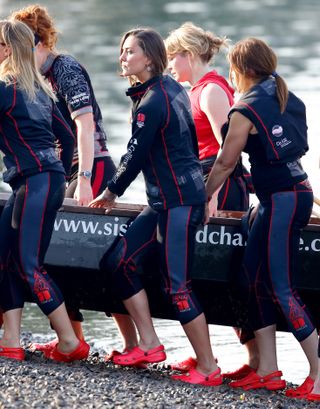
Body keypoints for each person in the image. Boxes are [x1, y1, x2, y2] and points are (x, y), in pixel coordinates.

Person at [89, 27, 222, 386]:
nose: (123, 57)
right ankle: (149, 344)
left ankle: (208, 368)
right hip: (164, 202)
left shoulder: (154, 100)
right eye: (122, 50)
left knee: (177, 286)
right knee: (118, 262)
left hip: (180, 202)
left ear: (149, 57)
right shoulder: (170, 89)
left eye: (130, 51)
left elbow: (134, 154)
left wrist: (112, 191)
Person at [10, 4, 138, 355]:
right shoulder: (30, 78)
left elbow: (83, 124)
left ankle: (131, 343)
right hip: (61, 167)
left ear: (37, 44)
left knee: (97, 255)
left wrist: (82, 178)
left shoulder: (63, 68)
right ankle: (74, 338)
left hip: (91, 164)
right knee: (56, 254)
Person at [205, 37, 318, 397]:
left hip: (284, 200)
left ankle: (319, 374)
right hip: (286, 196)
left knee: (282, 289)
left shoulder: (245, 108)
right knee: (251, 278)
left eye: (231, 69)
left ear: (241, 70)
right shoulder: (284, 95)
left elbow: (225, 162)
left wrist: (201, 197)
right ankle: (267, 369)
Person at [165, 22, 257, 378]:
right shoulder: (193, 89)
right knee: (201, 272)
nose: (170, 64)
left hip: (222, 185)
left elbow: (227, 151)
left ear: (188, 55)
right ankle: (210, 357)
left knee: (226, 270)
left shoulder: (212, 91)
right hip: (201, 182)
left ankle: (255, 362)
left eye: (173, 56)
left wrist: (212, 195)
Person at [0, 19, 90, 362]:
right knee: (6, 256)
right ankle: (10, 339)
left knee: (29, 264)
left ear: (7, 50)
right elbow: (67, 139)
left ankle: (69, 340)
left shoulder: (6, 91)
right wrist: (59, 172)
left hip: (35, 182)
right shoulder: (40, 92)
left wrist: (46, 171)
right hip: (39, 181)